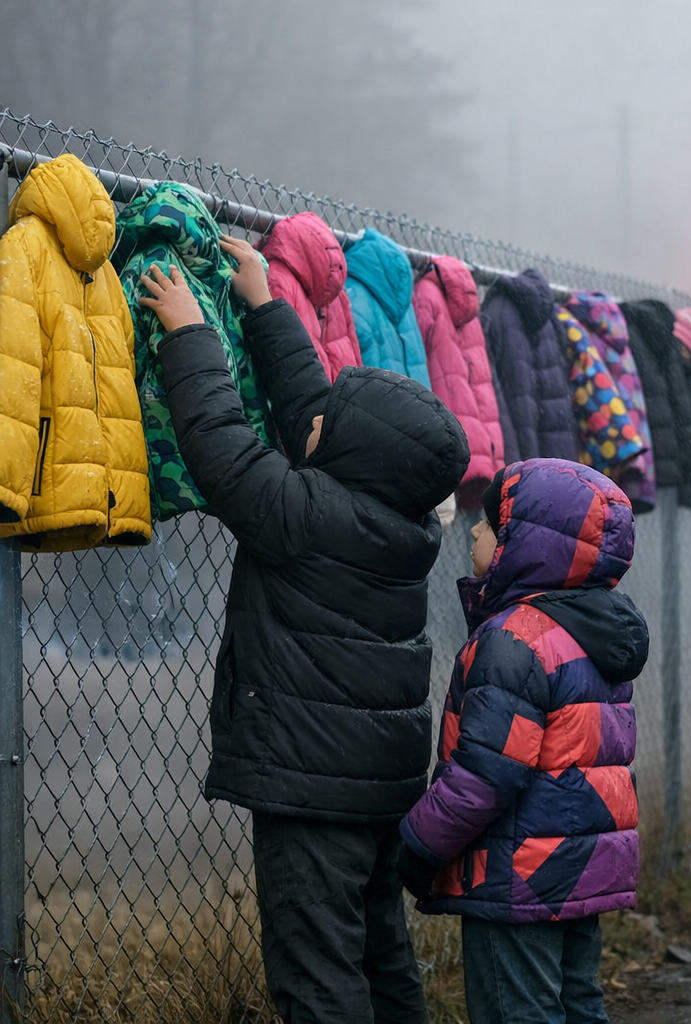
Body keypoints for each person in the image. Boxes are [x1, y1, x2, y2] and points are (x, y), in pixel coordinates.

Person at [138, 236, 470, 1024]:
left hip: (312, 792)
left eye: (330, 427)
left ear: (352, 458)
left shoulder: (306, 515)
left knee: (316, 971)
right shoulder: (394, 524)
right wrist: (264, 305)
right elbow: (309, 408)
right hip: (376, 784)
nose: (311, 424)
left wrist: (192, 335)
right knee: (378, 954)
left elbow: (223, 451)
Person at [396, 459, 648, 1024]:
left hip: (519, 878)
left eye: (490, 525)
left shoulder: (515, 640)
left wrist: (417, 845)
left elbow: (486, 775)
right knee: (580, 1003)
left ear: (528, 546)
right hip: (582, 865)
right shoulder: (594, 631)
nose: (475, 533)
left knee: (519, 1011)